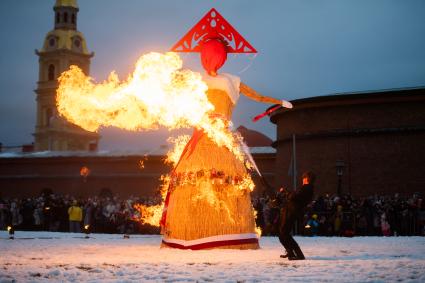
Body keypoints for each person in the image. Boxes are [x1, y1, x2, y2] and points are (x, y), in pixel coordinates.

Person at [160, 9, 293, 250]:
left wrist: (278, 102)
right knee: (226, 181)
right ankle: (225, 233)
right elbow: (259, 96)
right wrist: (279, 102)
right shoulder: (231, 80)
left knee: (196, 181)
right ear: (223, 58)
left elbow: (166, 94)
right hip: (220, 139)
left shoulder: (195, 80)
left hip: (203, 140)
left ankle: (191, 233)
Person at [279, 171, 316, 260]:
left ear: (306, 179)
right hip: (291, 211)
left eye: (303, 178)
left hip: (292, 212)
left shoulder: (306, 188)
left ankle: (299, 254)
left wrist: (285, 192)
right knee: (282, 233)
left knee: (284, 233)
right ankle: (290, 252)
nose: (302, 180)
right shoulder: (306, 188)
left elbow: (294, 197)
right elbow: (294, 195)